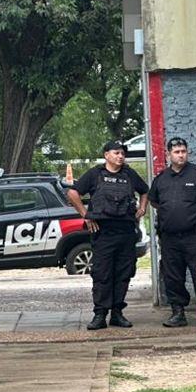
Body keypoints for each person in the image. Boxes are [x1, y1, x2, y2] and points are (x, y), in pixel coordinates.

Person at [67, 141, 149, 330]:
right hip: (103, 231)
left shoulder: (129, 174)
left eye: (122, 154)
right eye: (116, 153)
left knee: (123, 273)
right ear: (106, 155)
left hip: (126, 231)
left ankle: (117, 313)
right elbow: (72, 193)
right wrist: (86, 214)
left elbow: (145, 191)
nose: (121, 156)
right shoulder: (95, 174)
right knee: (102, 274)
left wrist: (142, 208)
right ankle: (100, 314)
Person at [148, 137, 196, 327]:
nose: (181, 155)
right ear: (168, 154)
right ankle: (178, 312)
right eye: (176, 152)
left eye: (183, 151)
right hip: (170, 238)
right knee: (173, 275)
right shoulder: (161, 178)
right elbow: (154, 201)